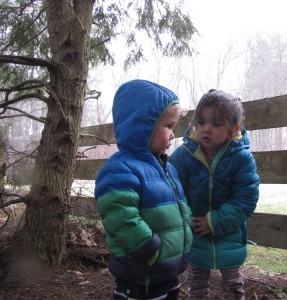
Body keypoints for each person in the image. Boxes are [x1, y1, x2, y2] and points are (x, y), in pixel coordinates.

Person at [95, 79, 193, 300]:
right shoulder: (120, 170)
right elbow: (120, 217)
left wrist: (187, 233)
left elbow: (179, 205)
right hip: (142, 276)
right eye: (168, 126)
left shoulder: (166, 168)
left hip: (167, 272)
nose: (173, 135)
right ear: (142, 125)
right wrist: (150, 250)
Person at [169, 89, 260, 299]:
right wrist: (186, 219)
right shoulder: (184, 155)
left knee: (233, 284)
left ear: (233, 129)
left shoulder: (242, 159)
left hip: (229, 233)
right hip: (195, 232)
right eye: (200, 122)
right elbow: (174, 190)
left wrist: (215, 221)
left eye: (216, 124)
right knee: (196, 284)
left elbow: (245, 199)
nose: (205, 129)